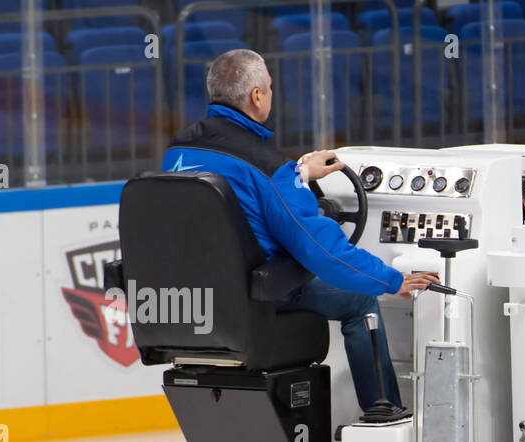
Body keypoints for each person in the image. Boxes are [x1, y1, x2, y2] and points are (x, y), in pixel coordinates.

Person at [161, 48, 438, 418]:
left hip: (194, 298)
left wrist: (300, 175)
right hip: (255, 296)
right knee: (360, 302)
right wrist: (391, 280)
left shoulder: (177, 150)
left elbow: (235, 198)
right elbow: (321, 252)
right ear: (256, 96)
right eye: (270, 88)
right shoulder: (269, 166)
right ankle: (382, 408)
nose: (272, 95)